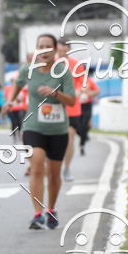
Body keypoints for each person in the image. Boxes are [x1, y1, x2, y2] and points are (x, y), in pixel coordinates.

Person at [3, 33, 75, 230]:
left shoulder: (63, 71)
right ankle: (37, 213)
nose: (44, 50)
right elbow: (17, 86)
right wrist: (10, 102)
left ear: (54, 50)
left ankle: (51, 209)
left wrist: (55, 93)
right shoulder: (28, 69)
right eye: (40, 46)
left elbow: (72, 100)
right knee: (36, 165)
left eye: (48, 46)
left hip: (58, 129)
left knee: (54, 173)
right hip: (33, 126)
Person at [56, 40, 85, 182]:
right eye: (59, 51)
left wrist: (78, 91)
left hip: (72, 108)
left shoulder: (76, 65)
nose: (62, 54)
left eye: (64, 51)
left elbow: (83, 83)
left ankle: (66, 169)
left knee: (69, 140)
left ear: (69, 49)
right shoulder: (50, 65)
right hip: (54, 109)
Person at [77, 67, 99, 153]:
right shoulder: (76, 81)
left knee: (85, 124)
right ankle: (84, 136)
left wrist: (89, 93)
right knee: (78, 126)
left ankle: (82, 145)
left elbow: (97, 91)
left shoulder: (90, 81)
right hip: (77, 106)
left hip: (87, 105)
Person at [4, 74, 27, 142]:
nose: (14, 82)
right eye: (12, 81)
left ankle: (19, 136)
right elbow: (6, 97)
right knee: (13, 122)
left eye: (15, 81)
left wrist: (18, 98)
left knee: (19, 123)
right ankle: (14, 136)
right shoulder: (7, 88)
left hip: (18, 108)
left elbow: (21, 99)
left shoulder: (20, 88)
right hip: (10, 108)